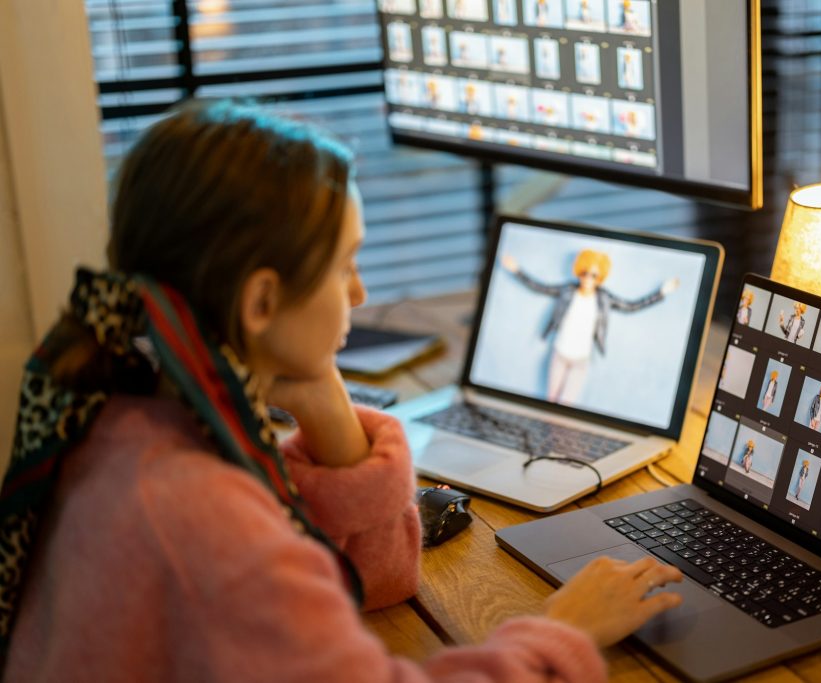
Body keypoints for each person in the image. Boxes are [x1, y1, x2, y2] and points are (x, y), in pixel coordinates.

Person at [0, 101, 685, 682]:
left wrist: (324, 395)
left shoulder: (126, 413)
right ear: (262, 300)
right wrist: (561, 628)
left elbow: (374, 579)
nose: (360, 292)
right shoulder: (201, 515)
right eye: (346, 264)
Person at [501, 251, 678, 405]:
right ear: (579, 272)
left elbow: (631, 306)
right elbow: (540, 287)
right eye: (585, 273)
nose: (588, 279)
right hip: (560, 353)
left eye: (594, 275)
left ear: (600, 277)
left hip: (581, 360)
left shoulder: (604, 298)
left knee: (566, 405)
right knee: (551, 401)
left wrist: (661, 293)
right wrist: (516, 270)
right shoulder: (567, 290)